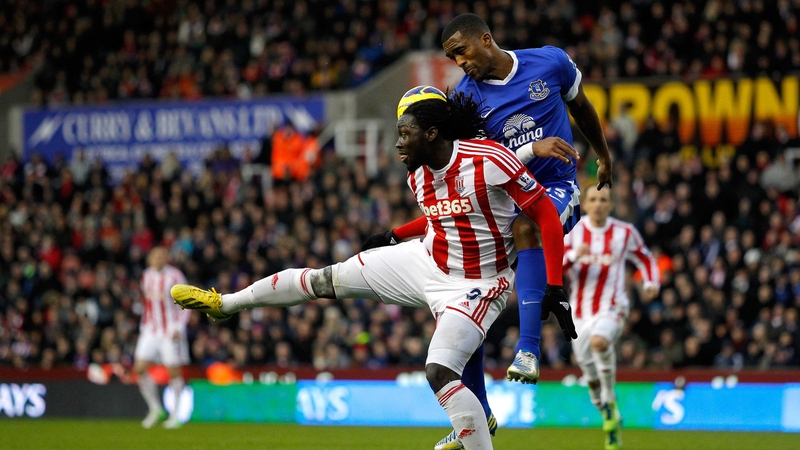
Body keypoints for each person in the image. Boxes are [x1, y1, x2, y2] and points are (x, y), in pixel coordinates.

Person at [172, 91, 572, 450]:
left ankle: (476, 424)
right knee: (324, 278)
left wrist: (553, 284)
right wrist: (395, 236)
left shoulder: (488, 161)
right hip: (426, 261)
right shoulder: (417, 176)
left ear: (431, 133)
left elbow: (541, 216)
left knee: (439, 370)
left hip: (480, 283)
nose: (397, 142)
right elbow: (444, 220)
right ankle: (225, 303)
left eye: (405, 132)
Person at [362, 13, 611, 450]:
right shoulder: (465, 102)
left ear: (486, 39)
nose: (459, 61)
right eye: (450, 56)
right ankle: (479, 415)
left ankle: (528, 349)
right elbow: (471, 171)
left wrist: (603, 155)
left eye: (461, 50)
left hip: (553, 190)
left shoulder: (549, 63)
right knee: (463, 298)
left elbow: (582, 106)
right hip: (500, 205)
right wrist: (398, 234)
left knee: (525, 228)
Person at [564, 187, 660, 450]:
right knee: (589, 375)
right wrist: (574, 256)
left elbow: (645, 258)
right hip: (580, 313)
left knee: (599, 342)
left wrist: (651, 281)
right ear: (585, 203)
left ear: (610, 204)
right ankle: (609, 413)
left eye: (603, 200)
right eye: (593, 199)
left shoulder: (624, 232)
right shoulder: (573, 231)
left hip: (613, 305)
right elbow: (554, 264)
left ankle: (609, 396)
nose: (597, 204)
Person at [134, 246, 191, 429]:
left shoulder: (175, 276)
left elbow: (188, 301)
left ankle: (175, 415)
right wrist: (144, 325)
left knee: (173, 372)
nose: (158, 259)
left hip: (170, 331)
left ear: (167, 258)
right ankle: (155, 408)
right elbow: (147, 303)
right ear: (150, 258)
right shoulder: (146, 276)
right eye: (155, 256)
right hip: (151, 329)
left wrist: (179, 327)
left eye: (161, 256)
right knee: (139, 368)